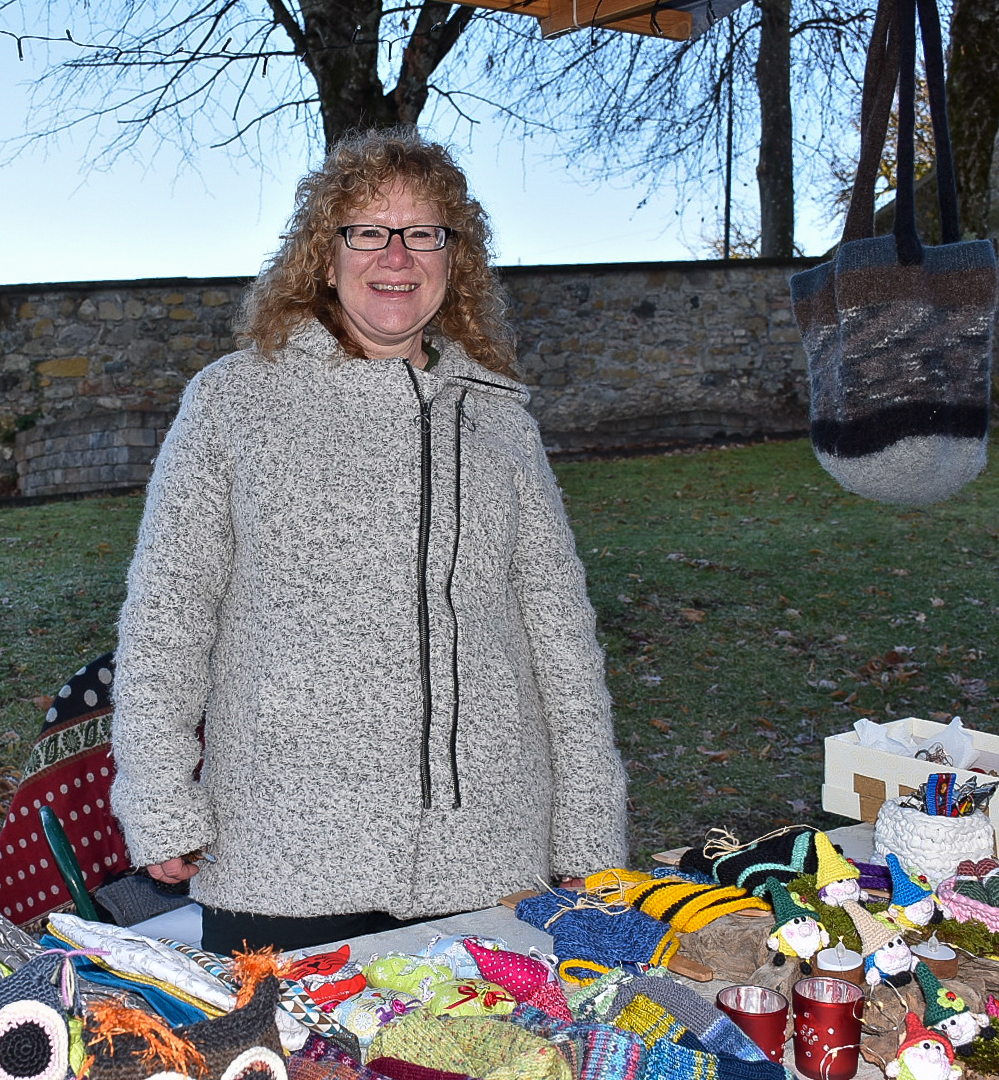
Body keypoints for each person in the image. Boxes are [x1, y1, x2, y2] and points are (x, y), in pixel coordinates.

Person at [107, 129, 629, 953]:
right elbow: (167, 618)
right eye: (367, 231)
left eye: (423, 232)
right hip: (285, 857)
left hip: (490, 854)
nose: (396, 255)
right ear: (325, 256)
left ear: (453, 262)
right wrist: (160, 798)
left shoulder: (500, 423)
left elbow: (561, 641)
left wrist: (590, 831)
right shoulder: (233, 402)